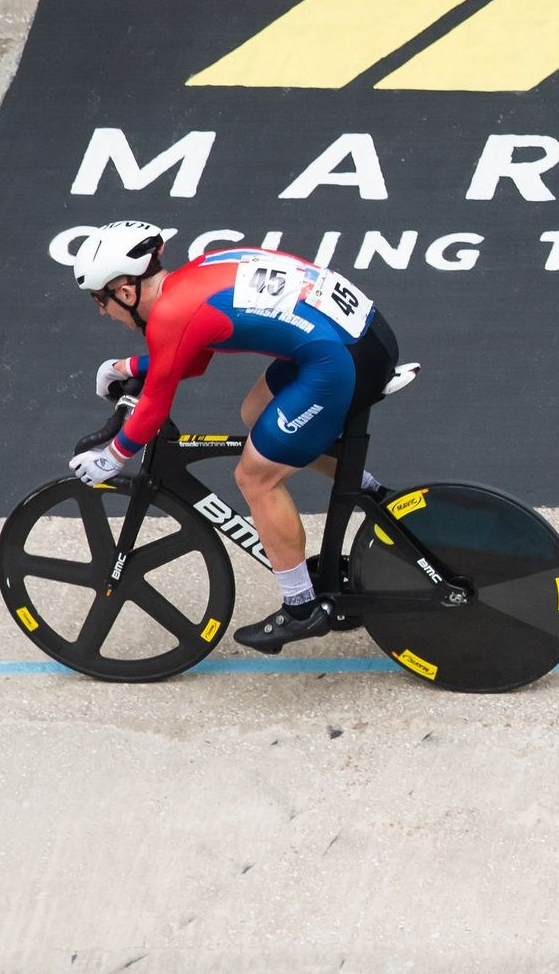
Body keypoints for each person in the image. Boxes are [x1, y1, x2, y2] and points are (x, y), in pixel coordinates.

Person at [66, 220, 399, 652]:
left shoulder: (170, 313)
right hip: (357, 338)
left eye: (100, 299)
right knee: (256, 412)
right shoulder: (188, 282)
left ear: (125, 291)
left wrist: (112, 456)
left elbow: (154, 407)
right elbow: (192, 361)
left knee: (256, 477)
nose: (101, 311)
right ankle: (370, 492)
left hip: (341, 358)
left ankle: (301, 608)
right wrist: (125, 368)